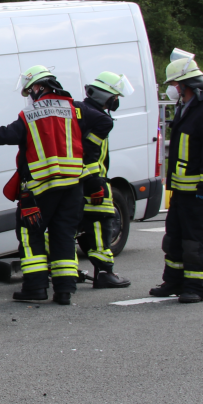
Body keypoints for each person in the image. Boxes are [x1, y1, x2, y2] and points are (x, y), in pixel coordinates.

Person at [0, 65, 85, 305]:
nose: (29, 96)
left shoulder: (30, 115)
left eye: (30, 90)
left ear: (39, 86)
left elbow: (5, 135)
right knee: (64, 235)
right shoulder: (75, 108)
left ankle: (35, 288)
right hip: (73, 187)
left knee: (30, 235)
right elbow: (99, 128)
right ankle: (64, 291)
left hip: (40, 189)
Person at [149, 54, 203, 304]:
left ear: (184, 85)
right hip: (181, 191)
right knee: (174, 239)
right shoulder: (186, 109)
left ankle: (195, 287)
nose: (172, 89)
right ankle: (173, 281)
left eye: (174, 84)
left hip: (199, 193)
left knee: (195, 242)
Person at [75, 71, 132, 289]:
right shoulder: (100, 119)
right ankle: (105, 273)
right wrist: (96, 183)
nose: (116, 101)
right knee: (101, 223)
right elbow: (89, 152)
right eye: (114, 97)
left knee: (68, 226)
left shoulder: (80, 110)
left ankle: (64, 272)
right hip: (92, 181)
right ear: (104, 96)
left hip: (74, 181)